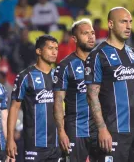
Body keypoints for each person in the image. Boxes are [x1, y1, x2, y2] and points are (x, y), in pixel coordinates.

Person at [85, 7, 134, 162]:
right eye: (123, 22)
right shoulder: (98, 55)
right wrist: (101, 129)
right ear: (111, 24)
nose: (128, 26)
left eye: (130, 22)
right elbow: (92, 96)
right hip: (113, 131)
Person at [6, 35, 62, 162]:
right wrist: (10, 139)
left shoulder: (59, 75)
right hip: (34, 144)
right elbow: (14, 108)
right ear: (39, 51)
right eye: (50, 48)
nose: (54, 52)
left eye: (56, 49)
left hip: (57, 144)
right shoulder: (25, 76)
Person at [53, 18, 97, 162]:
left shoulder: (102, 62)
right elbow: (58, 102)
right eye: (85, 33)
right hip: (77, 129)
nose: (91, 37)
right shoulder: (65, 66)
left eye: (92, 33)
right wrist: (61, 131)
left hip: (101, 129)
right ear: (74, 38)